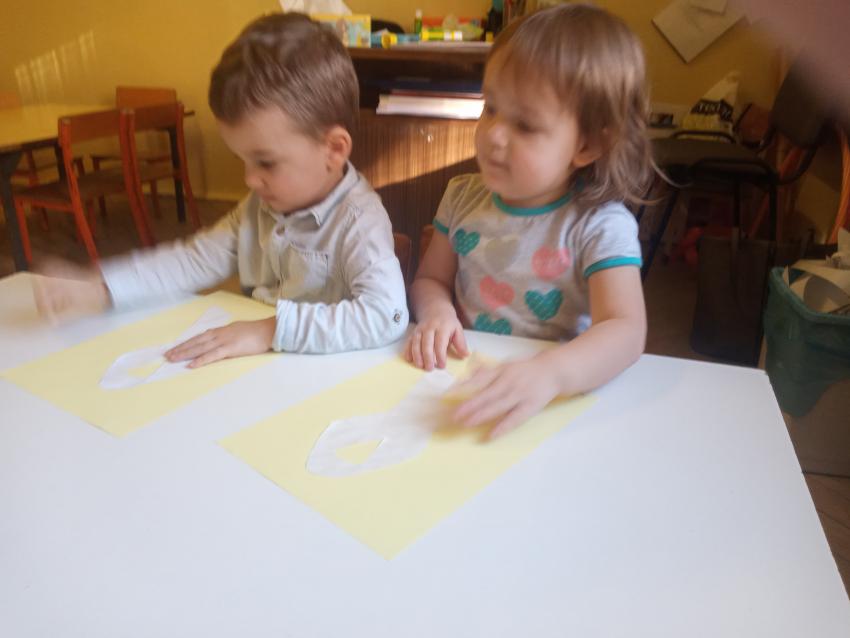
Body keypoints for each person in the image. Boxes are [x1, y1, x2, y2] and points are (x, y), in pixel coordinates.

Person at [34, 12, 409, 364]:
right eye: (242, 160)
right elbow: (193, 260)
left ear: (334, 150)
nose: (249, 179)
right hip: (262, 375)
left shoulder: (359, 219)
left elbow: (387, 314)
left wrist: (270, 330)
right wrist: (103, 288)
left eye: (265, 162)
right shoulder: (260, 206)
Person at [406, 4, 652, 439]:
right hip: (466, 381)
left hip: (557, 402)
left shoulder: (599, 226)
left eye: (525, 124)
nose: (493, 134)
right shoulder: (462, 196)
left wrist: (551, 373)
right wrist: (437, 312)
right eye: (490, 108)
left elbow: (626, 330)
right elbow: (430, 280)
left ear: (587, 146)